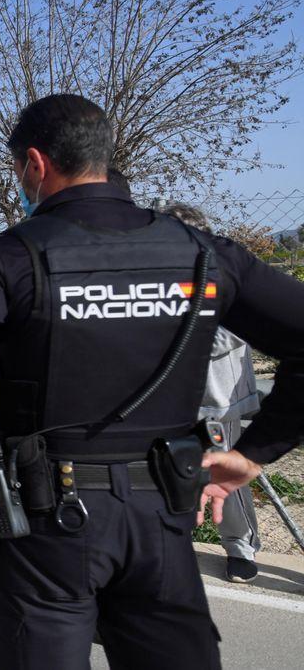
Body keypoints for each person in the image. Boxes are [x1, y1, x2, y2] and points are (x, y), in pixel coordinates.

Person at [0, 94, 304, 668]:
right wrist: (256, 453)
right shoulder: (202, 252)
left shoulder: (11, 257)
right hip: (162, 511)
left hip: (47, 523)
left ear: (34, 164)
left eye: (17, 171)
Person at [163, 202, 263, 583]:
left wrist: (187, 332)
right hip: (171, 399)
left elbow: (235, 333)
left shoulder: (227, 274)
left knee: (224, 472)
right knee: (172, 471)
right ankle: (174, 545)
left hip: (219, 398)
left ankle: (240, 547)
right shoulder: (162, 278)